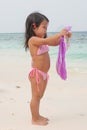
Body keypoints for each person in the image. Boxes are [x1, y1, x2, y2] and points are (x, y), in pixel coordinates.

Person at [24, 12, 72, 126]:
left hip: (44, 74)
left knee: (40, 96)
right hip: (36, 74)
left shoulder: (42, 40)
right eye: (44, 27)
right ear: (34, 26)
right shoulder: (33, 40)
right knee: (35, 96)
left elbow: (55, 42)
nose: (46, 30)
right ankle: (34, 119)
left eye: (47, 27)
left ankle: (37, 115)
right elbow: (47, 41)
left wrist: (64, 36)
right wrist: (59, 33)